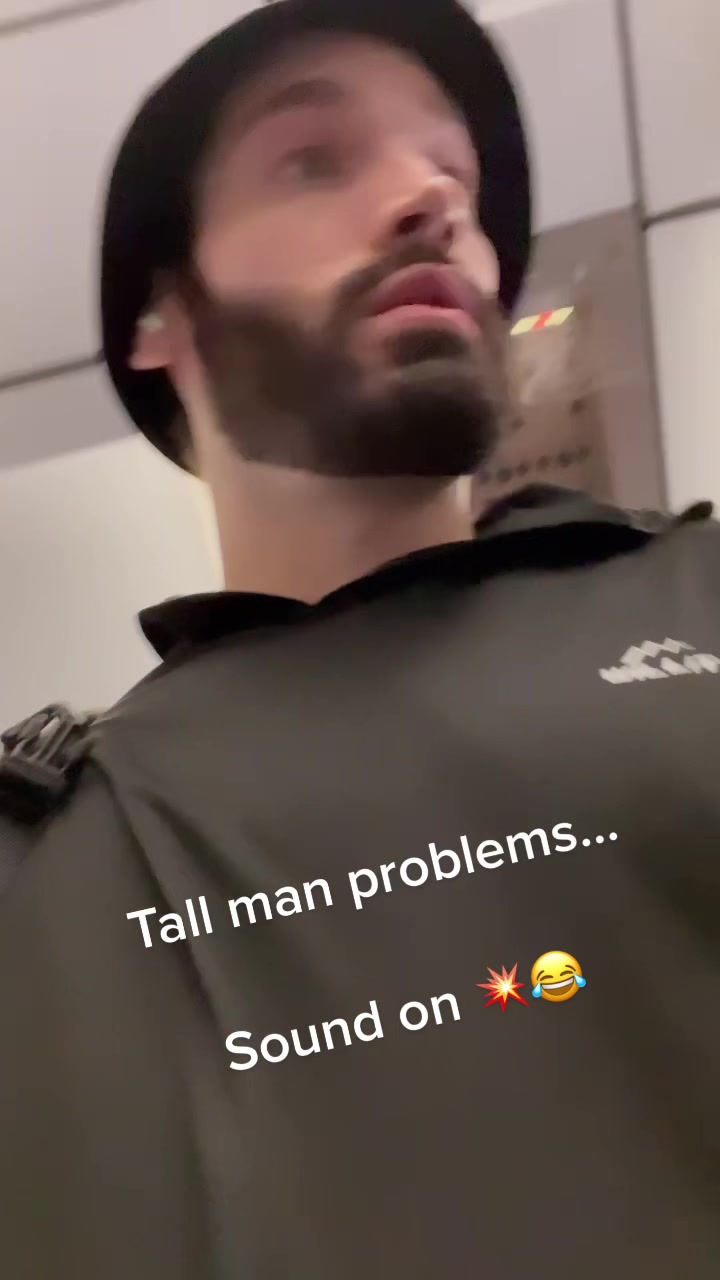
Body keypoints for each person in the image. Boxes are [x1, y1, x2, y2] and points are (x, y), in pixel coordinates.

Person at [0, 1, 717, 1277]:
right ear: (158, 313)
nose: (428, 201)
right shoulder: (58, 842)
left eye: (457, 177)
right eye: (314, 159)